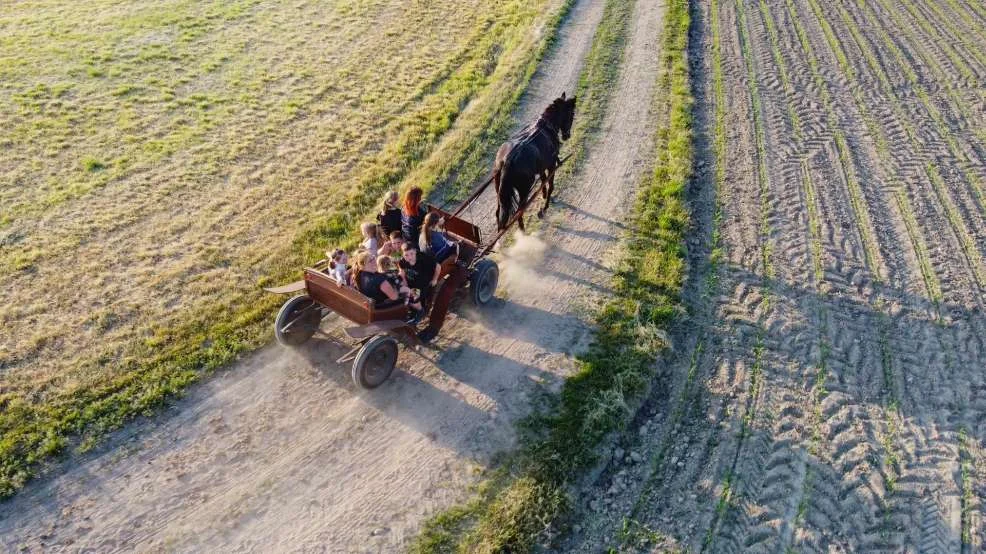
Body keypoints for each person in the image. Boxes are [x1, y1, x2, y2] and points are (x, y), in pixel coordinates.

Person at [398, 243, 441, 307]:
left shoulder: (424, 258)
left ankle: (420, 311)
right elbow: (402, 272)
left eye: (411, 254)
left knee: (412, 300)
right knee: (398, 295)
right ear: (403, 255)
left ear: (415, 251)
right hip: (410, 282)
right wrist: (405, 284)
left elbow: (438, 266)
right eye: (406, 255)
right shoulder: (402, 261)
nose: (409, 257)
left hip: (421, 285)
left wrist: (435, 279)